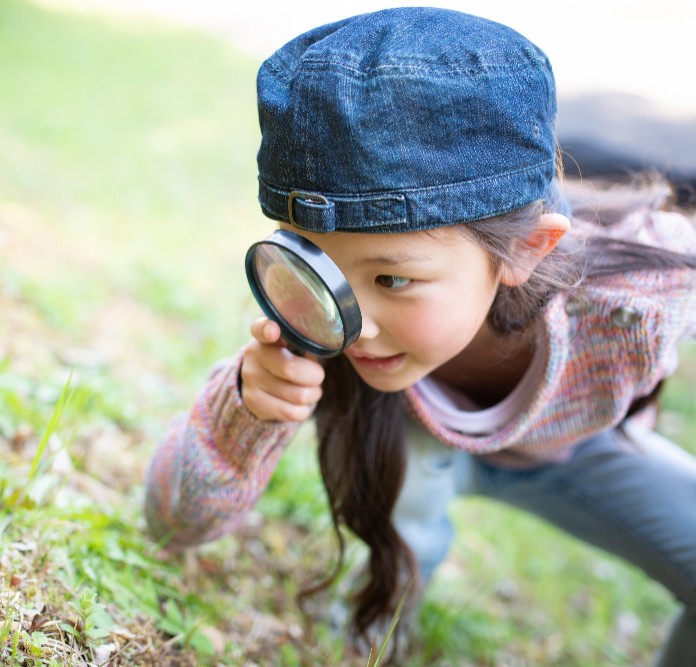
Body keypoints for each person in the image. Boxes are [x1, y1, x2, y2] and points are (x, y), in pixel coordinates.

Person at [144, 7, 696, 665]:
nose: (353, 322)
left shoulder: (637, 300)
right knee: (389, 574)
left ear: (527, 249)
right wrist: (247, 408)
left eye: (394, 279)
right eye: (316, 264)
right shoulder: (313, 326)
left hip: (577, 446)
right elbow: (172, 522)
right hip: (404, 444)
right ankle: (371, 629)